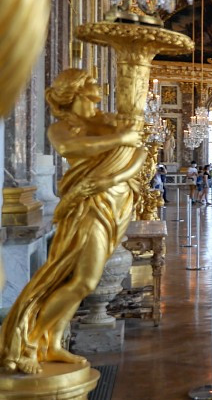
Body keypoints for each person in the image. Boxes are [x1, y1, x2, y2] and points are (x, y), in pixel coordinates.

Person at [0, 70, 145, 373]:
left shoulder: (107, 121)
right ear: (76, 91)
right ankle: (29, 340)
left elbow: (139, 152)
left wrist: (113, 176)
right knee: (81, 279)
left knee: (75, 280)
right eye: (91, 82)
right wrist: (121, 139)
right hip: (87, 207)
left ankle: (51, 345)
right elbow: (71, 149)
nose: (98, 86)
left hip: (114, 202)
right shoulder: (63, 128)